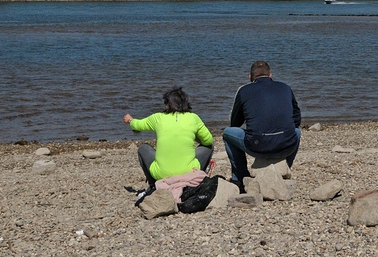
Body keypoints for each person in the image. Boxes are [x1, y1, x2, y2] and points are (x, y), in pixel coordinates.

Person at [223, 60, 302, 188]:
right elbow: (297, 118)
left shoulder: (244, 90)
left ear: (250, 77)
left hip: (257, 146)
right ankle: (286, 167)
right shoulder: (285, 87)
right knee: (297, 132)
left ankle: (240, 176)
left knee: (227, 133)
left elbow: (235, 123)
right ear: (270, 75)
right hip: (286, 145)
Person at [123, 87, 214, 188]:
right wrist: (195, 137)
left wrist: (130, 120)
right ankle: (197, 177)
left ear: (167, 104)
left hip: (161, 173)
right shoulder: (193, 118)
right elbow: (208, 140)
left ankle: (153, 184)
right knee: (209, 147)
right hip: (187, 172)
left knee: (143, 148)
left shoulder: (158, 118)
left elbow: (138, 125)